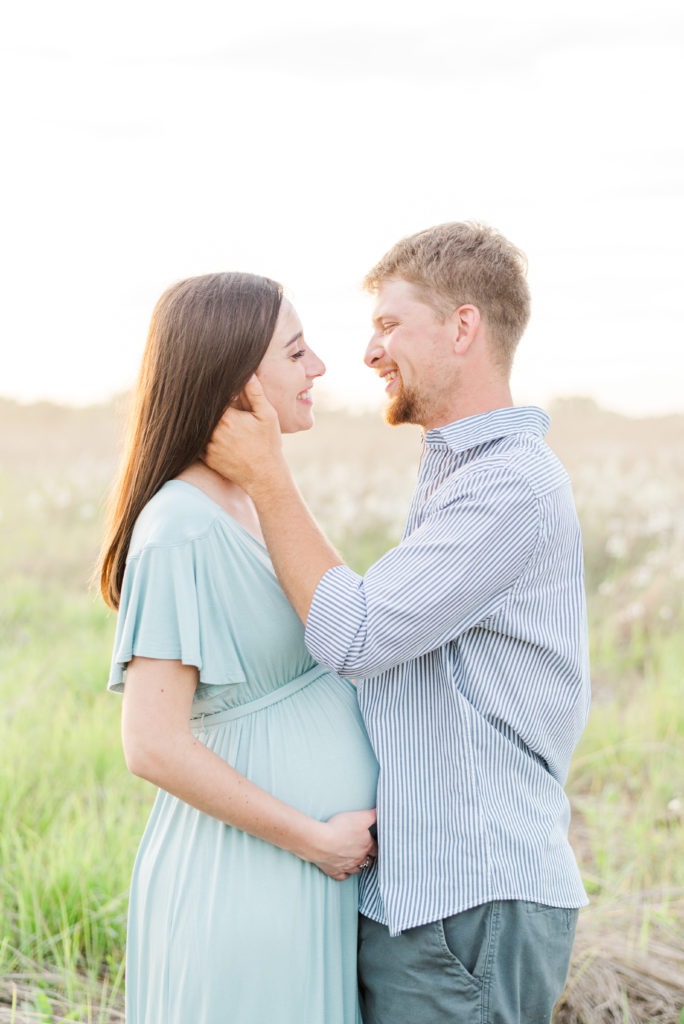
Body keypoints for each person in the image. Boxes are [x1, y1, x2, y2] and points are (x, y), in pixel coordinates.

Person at [204, 223, 592, 1024]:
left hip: (468, 900)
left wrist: (269, 478)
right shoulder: (461, 472)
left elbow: (357, 636)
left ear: (462, 327)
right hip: (433, 898)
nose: (370, 352)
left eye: (389, 324)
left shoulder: (509, 487)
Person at [97, 271, 378, 1024]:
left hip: (296, 876)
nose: (319, 366)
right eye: (296, 353)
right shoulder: (181, 527)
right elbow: (152, 746)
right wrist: (317, 839)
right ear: (238, 379)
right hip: (249, 880)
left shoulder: (250, 498)